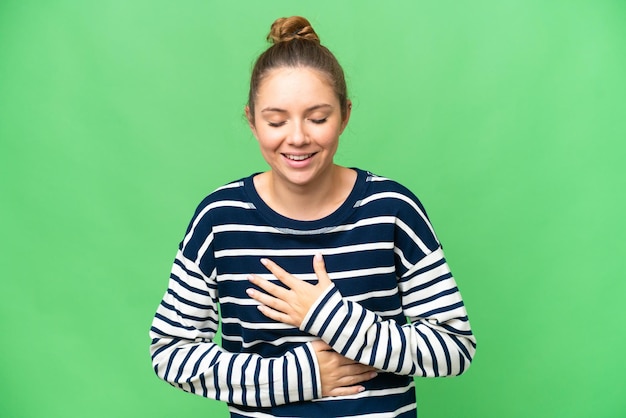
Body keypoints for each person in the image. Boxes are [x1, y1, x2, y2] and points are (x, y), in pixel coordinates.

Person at [149, 16, 476, 417]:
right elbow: (170, 352)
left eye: (318, 118)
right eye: (276, 120)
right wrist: (302, 375)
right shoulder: (219, 219)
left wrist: (329, 316)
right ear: (252, 120)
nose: (298, 136)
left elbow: (454, 348)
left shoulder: (392, 208)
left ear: (345, 115)